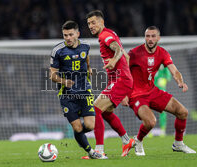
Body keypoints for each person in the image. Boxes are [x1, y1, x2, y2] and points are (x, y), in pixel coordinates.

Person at [126, 26, 196, 156]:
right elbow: (123, 72)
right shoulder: (134, 53)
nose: (150, 39)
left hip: (152, 91)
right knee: (151, 122)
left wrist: (180, 81)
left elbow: (174, 71)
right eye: (148, 36)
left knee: (182, 112)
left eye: (153, 36)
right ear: (145, 37)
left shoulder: (162, 53)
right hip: (136, 95)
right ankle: (139, 140)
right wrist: (124, 94)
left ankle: (178, 144)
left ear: (158, 38)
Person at [85, 10, 135, 158]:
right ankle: (126, 140)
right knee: (106, 112)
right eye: (88, 24)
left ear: (101, 22)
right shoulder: (110, 33)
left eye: (93, 22)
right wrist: (126, 87)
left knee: (96, 109)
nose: (91, 26)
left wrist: (114, 61)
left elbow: (118, 50)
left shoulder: (104, 36)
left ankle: (99, 150)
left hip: (120, 80)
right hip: (119, 80)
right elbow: (126, 56)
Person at [49, 20, 102, 159]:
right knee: (78, 127)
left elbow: (86, 58)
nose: (67, 38)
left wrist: (89, 69)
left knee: (90, 126)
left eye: (70, 34)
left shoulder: (86, 46)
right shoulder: (58, 51)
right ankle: (90, 152)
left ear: (77, 34)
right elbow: (52, 75)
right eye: (65, 35)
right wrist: (64, 81)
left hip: (85, 91)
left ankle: (78, 135)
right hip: (67, 95)